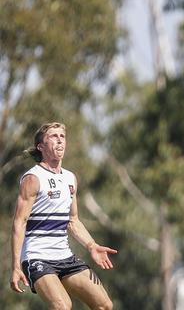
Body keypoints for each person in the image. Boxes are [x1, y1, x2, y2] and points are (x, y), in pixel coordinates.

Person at [10, 122, 117, 309]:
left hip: (65, 256)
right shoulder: (33, 178)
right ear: (40, 146)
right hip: (38, 257)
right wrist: (16, 266)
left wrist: (92, 245)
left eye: (62, 136)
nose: (60, 140)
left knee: (105, 305)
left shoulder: (69, 178)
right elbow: (19, 222)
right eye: (53, 136)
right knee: (63, 306)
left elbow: (73, 221)